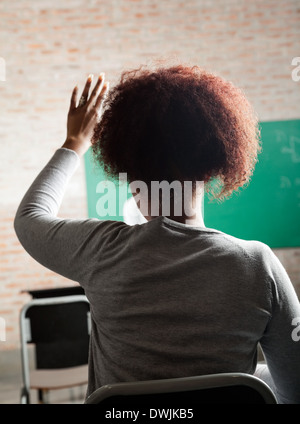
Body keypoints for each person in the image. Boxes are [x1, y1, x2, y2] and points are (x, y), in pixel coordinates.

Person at [14, 66, 300, 404]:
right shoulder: (257, 265)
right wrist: (245, 377)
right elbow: (295, 389)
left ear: (130, 177)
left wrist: (74, 143)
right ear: (211, 168)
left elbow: (29, 218)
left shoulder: (100, 251)